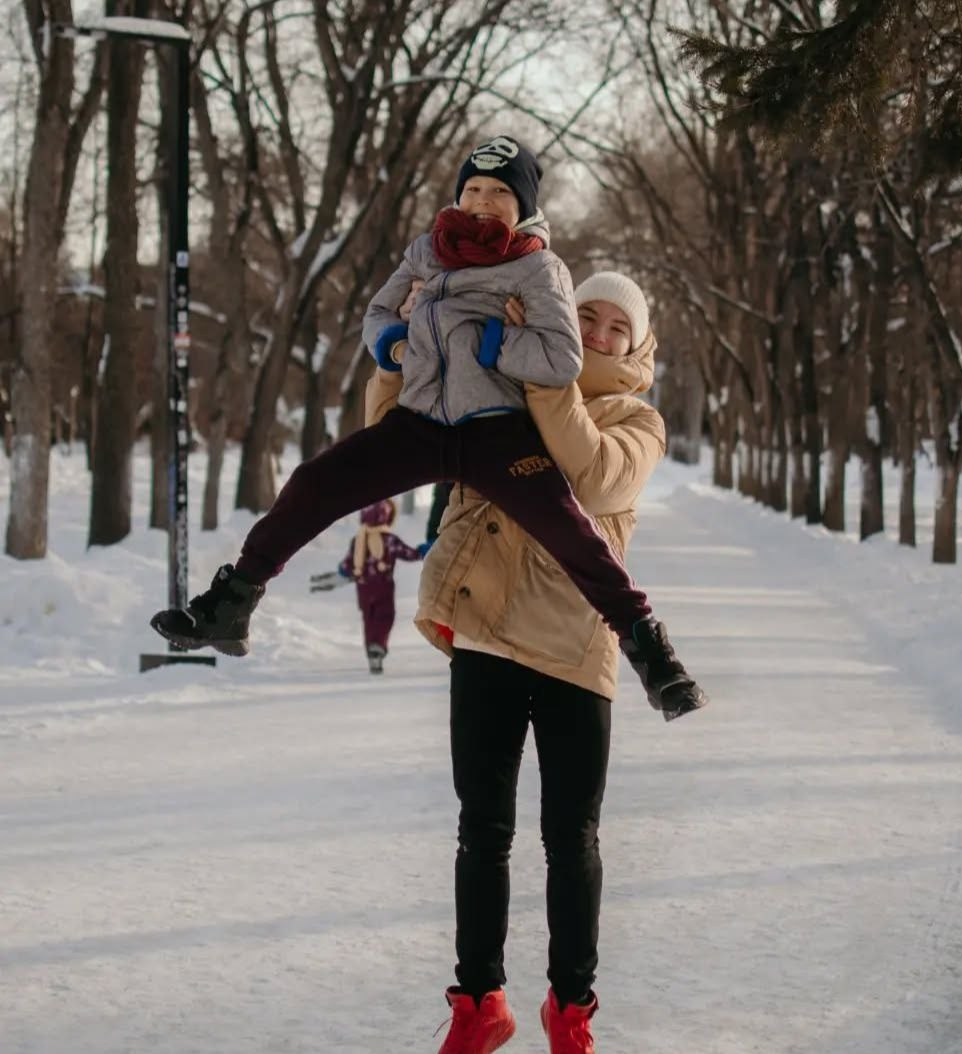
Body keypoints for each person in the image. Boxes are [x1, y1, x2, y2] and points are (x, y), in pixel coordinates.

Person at [149, 134, 706, 719]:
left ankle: (652, 655)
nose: (484, 201)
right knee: (316, 483)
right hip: (421, 422)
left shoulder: (540, 267)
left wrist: (494, 341)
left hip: (497, 429)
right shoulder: (427, 252)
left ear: (524, 205)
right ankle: (234, 601)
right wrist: (394, 341)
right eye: (473, 189)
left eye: (499, 192)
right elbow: (378, 314)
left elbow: (561, 359)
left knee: (572, 533)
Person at [367, 272, 670, 1054]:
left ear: (634, 345)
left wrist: (543, 366)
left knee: (572, 837)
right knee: (483, 829)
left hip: (575, 647)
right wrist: (403, 349)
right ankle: (479, 1002)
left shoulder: (638, 420)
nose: (599, 334)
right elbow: (394, 434)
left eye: (614, 328)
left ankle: (570, 1012)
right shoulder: (497, 376)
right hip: (485, 629)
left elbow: (591, 472)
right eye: (586, 319)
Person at [338, 500, 425, 674]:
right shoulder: (390, 540)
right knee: (385, 617)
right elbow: (409, 554)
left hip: (363, 589)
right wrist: (423, 551)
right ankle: (378, 646)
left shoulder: (358, 540)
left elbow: (348, 565)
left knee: (369, 620)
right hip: (383, 588)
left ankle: (372, 651)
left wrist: (344, 569)